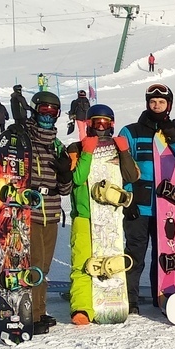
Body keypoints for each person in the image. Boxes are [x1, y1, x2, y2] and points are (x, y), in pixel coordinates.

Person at [0, 91, 73, 333]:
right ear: (34, 110)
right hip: (27, 212)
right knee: (31, 264)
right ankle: (30, 315)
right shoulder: (23, 139)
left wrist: (65, 173)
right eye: (43, 110)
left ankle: (39, 311)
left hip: (52, 213)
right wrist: (8, 143)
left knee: (43, 268)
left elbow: (65, 190)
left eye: (52, 112)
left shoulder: (57, 146)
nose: (47, 116)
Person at [120, 83, 175, 313]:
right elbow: (123, 168)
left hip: (167, 208)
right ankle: (130, 299)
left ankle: (161, 296)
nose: (157, 106)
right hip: (139, 205)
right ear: (147, 104)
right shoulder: (131, 131)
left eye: (161, 102)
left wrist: (173, 136)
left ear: (169, 105)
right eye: (153, 102)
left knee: (163, 254)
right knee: (135, 253)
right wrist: (127, 198)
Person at [68, 104, 138, 325]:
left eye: (105, 123)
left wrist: (124, 151)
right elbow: (77, 179)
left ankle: (112, 298)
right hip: (85, 215)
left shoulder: (117, 148)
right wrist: (87, 152)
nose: (100, 127)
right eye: (96, 123)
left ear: (112, 125)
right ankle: (81, 308)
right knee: (82, 261)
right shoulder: (76, 147)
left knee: (110, 257)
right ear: (88, 125)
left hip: (110, 216)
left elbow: (132, 176)